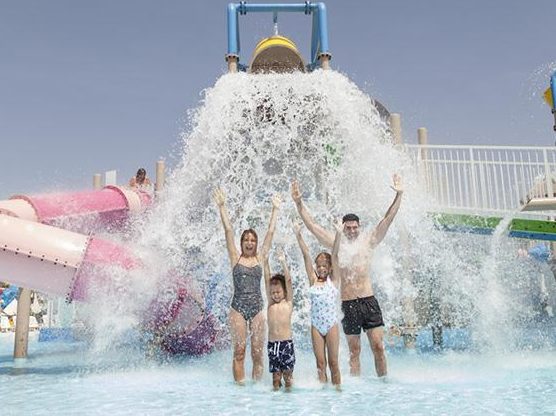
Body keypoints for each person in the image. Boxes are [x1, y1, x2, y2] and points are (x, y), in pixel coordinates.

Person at [291, 174, 403, 377]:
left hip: (368, 300)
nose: (351, 230)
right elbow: (313, 226)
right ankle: (356, 390)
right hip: (348, 303)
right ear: (343, 228)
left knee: (378, 347)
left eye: (354, 227)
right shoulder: (337, 243)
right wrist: (299, 203)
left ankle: (384, 384)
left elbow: (388, 219)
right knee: (354, 351)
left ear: (359, 227)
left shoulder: (369, 241)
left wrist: (399, 195)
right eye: (348, 227)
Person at [214, 188, 281, 384]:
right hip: (238, 309)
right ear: (241, 243)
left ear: (256, 243)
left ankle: (256, 391)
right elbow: (228, 230)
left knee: (258, 354)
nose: (249, 243)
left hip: (258, 309)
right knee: (240, 351)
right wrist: (222, 207)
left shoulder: (260, 258)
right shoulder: (236, 258)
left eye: (252, 240)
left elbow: (270, 232)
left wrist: (275, 210)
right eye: (246, 240)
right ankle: (240, 392)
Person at [293, 221, 341, 388]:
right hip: (316, 326)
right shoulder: (313, 280)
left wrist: (338, 235)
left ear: (329, 268)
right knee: (320, 364)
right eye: (318, 266)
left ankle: (337, 391)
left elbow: (334, 255)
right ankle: (323, 394)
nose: (321, 269)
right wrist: (298, 235)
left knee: (333, 363)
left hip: (331, 325)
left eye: (324, 266)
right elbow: (306, 255)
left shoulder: (334, 281)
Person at [263, 249, 295, 391]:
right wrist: (265, 262)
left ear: (285, 292)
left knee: (288, 376)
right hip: (272, 345)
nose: (275, 295)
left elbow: (288, 280)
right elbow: (266, 279)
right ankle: (276, 403)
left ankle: (288, 397)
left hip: (286, 344)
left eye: (278, 292)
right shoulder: (270, 304)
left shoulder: (288, 303)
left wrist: (282, 262)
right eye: (273, 293)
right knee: (275, 378)